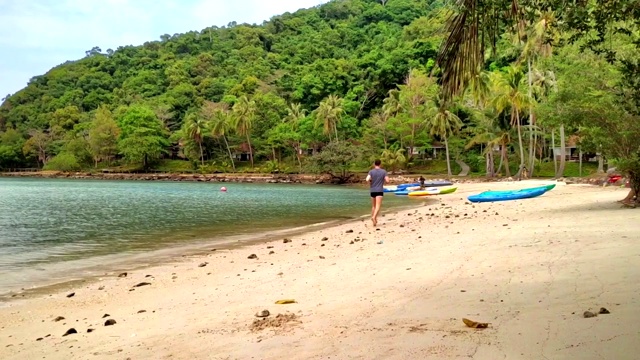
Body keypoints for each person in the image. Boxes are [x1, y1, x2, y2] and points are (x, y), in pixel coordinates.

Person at [366, 159, 389, 227]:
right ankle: (374, 217)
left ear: (374, 164)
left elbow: (367, 179)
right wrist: (383, 180)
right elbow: (387, 180)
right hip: (379, 190)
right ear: (380, 164)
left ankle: (374, 221)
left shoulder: (371, 171)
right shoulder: (383, 171)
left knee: (373, 206)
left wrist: (370, 182)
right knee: (378, 206)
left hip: (372, 190)